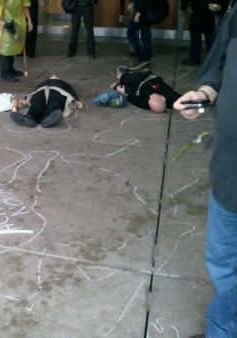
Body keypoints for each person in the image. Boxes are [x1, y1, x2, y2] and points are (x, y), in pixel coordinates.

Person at [173, 2, 237, 338]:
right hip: (229, 172)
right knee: (223, 264)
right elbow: (221, 61)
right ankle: (222, 330)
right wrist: (202, 94)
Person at [9, 75, 83, 128]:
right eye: (52, 76)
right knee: (36, 102)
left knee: (55, 102)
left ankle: (48, 118)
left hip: (58, 91)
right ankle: (30, 117)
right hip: (41, 91)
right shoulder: (43, 83)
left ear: (59, 79)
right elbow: (34, 91)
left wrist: (77, 100)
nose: (54, 75)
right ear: (49, 78)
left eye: (56, 76)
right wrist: (25, 99)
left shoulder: (63, 83)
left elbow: (71, 90)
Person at [0, 0, 33, 82]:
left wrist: (29, 19)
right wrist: (0, 22)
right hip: (6, 22)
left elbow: (24, 6)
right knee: (6, 48)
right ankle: (5, 72)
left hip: (18, 22)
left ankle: (11, 69)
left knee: (13, 46)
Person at [112, 67, 180, 113]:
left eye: (149, 100)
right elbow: (184, 99)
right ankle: (126, 73)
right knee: (120, 75)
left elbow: (132, 98)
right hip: (144, 77)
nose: (150, 97)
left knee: (115, 86)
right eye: (153, 98)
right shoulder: (172, 97)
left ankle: (124, 77)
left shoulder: (145, 104)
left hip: (135, 87)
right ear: (163, 98)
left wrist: (124, 92)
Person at [180, 0, 215, 65]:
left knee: (195, 35)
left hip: (197, 8)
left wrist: (184, 6)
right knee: (209, 36)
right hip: (210, 8)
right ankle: (213, 59)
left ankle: (194, 58)